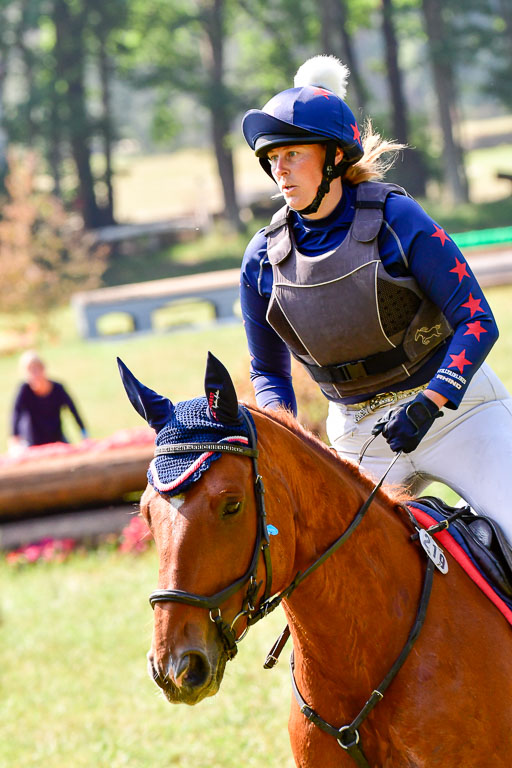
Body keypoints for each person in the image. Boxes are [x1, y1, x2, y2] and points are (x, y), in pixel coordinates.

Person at [240, 54, 512, 542]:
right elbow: (269, 372)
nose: (280, 170)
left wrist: (431, 402)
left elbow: (477, 321)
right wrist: (287, 440)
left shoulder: (397, 219)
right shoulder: (261, 257)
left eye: (293, 154)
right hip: (360, 434)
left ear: (336, 156)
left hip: (457, 411)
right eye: (272, 159)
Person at [9, 351, 88, 453]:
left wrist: (84, 433)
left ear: (43, 368)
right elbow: (16, 414)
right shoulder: (24, 390)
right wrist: (14, 439)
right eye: (31, 370)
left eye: (37, 368)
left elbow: (73, 410)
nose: (35, 373)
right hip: (32, 443)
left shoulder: (58, 388)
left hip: (56, 439)